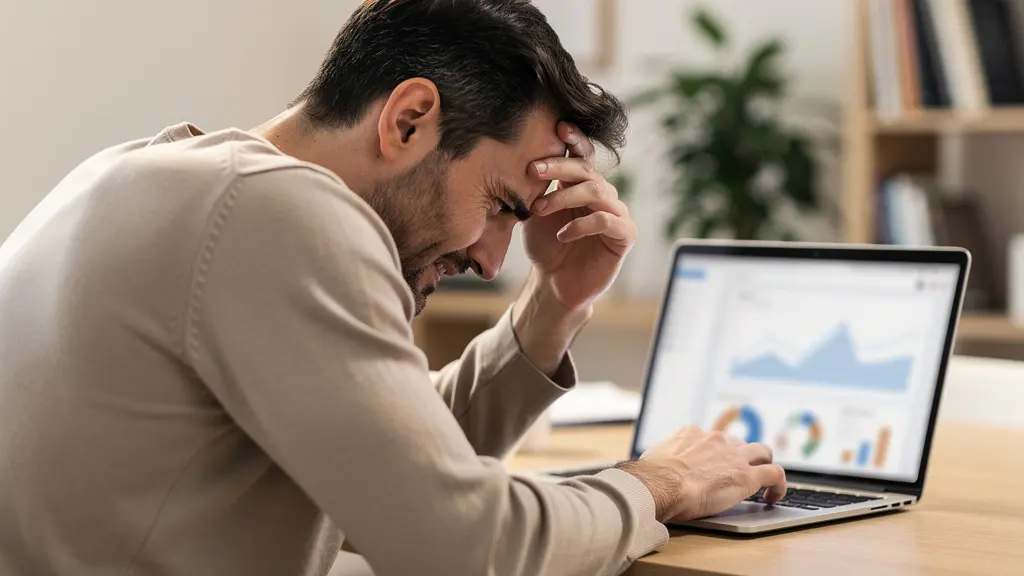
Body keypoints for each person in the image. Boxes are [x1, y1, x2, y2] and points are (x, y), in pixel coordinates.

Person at [0, 0, 787, 574]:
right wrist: (660, 483)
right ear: (409, 120)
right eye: (502, 205)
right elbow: (464, 547)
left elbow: (386, 463)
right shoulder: (278, 211)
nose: (492, 258)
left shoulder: (162, 176)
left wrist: (555, 303)